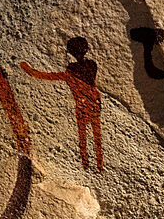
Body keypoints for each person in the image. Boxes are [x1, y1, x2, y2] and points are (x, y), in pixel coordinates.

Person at [21, 37, 104, 172]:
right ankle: (98, 165)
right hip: (94, 104)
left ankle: (86, 165)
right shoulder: (92, 65)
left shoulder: (71, 71)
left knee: (84, 137)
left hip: (83, 106)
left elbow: (47, 76)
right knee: (96, 136)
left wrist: (29, 70)